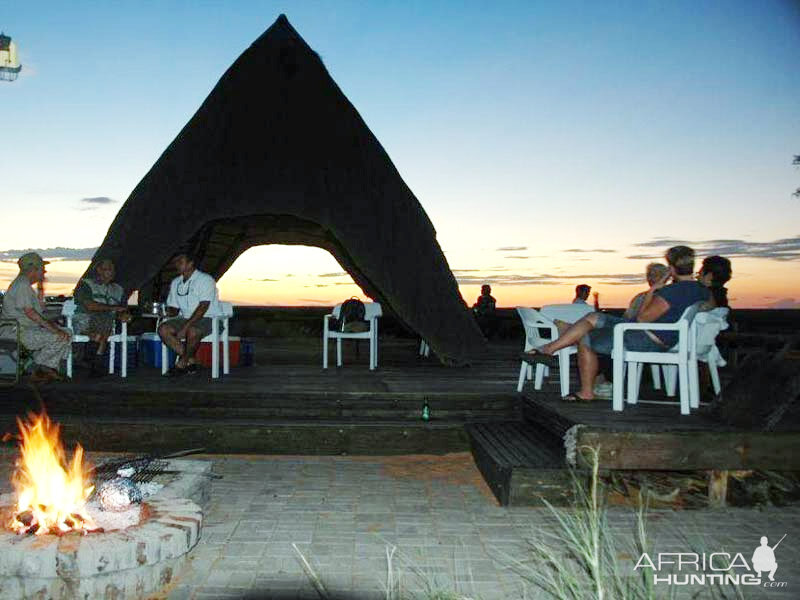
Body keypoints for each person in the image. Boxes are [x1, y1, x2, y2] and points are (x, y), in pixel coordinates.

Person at [523, 246, 710, 402]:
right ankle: (552, 347)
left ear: (671, 268)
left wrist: (653, 290)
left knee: (585, 336)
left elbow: (642, 319)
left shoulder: (671, 292)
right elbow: (711, 305)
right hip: (658, 336)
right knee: (593, 317)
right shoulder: (700, 290)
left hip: (647, 338)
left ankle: (584, 389)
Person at [0, 253, 71, 382]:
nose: (44, 271)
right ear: (33, 269)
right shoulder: (22, 285)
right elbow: (31, 313)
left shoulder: (25, 285)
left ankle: (43, 369)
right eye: (42, 269)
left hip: (24, 329)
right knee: (58, 336)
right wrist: (54, 329)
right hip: (15, 331)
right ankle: (39, 368)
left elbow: (40, 309)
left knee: (66, 333)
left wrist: (40, 287)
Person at [158, 252, 220, 376]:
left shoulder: (205, 280)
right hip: (184, 317)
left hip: (207, 318)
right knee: (163, 329)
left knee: (192, 330)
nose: (176, 265)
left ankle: (181, 364)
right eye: (175, 262)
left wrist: (185, 328)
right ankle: (191, 361)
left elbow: (203, 308)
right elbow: (174, 309)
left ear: (190, 264)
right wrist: (162, 311)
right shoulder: (176, 282)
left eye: (180, 262)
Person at [73, 258, 131, 373]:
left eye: (113, 269)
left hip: (107, 323)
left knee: (100, 332)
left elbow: (122, 309)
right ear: (99, 270)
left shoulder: (118, 289)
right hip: (86, 319)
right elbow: (89, 306)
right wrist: (112, 308)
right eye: (108, 269)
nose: (112, 272)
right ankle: (96, 361)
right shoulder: (86, 284)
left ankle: (92, 358)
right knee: (103, 324)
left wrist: (124, 315)